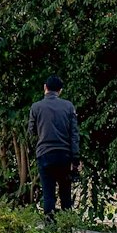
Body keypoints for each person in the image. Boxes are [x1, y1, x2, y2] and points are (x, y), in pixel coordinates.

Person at [28, 75, 81, 218]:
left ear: (45, 87)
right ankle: (67, 227)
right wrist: (75, 159)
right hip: (64, 155)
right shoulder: (68, 106)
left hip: (44, 154)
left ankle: (50, 227)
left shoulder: (36, 107)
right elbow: (74, 134)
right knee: (65, 193)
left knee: (48, 194)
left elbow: (31, 131)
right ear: (60, 90)